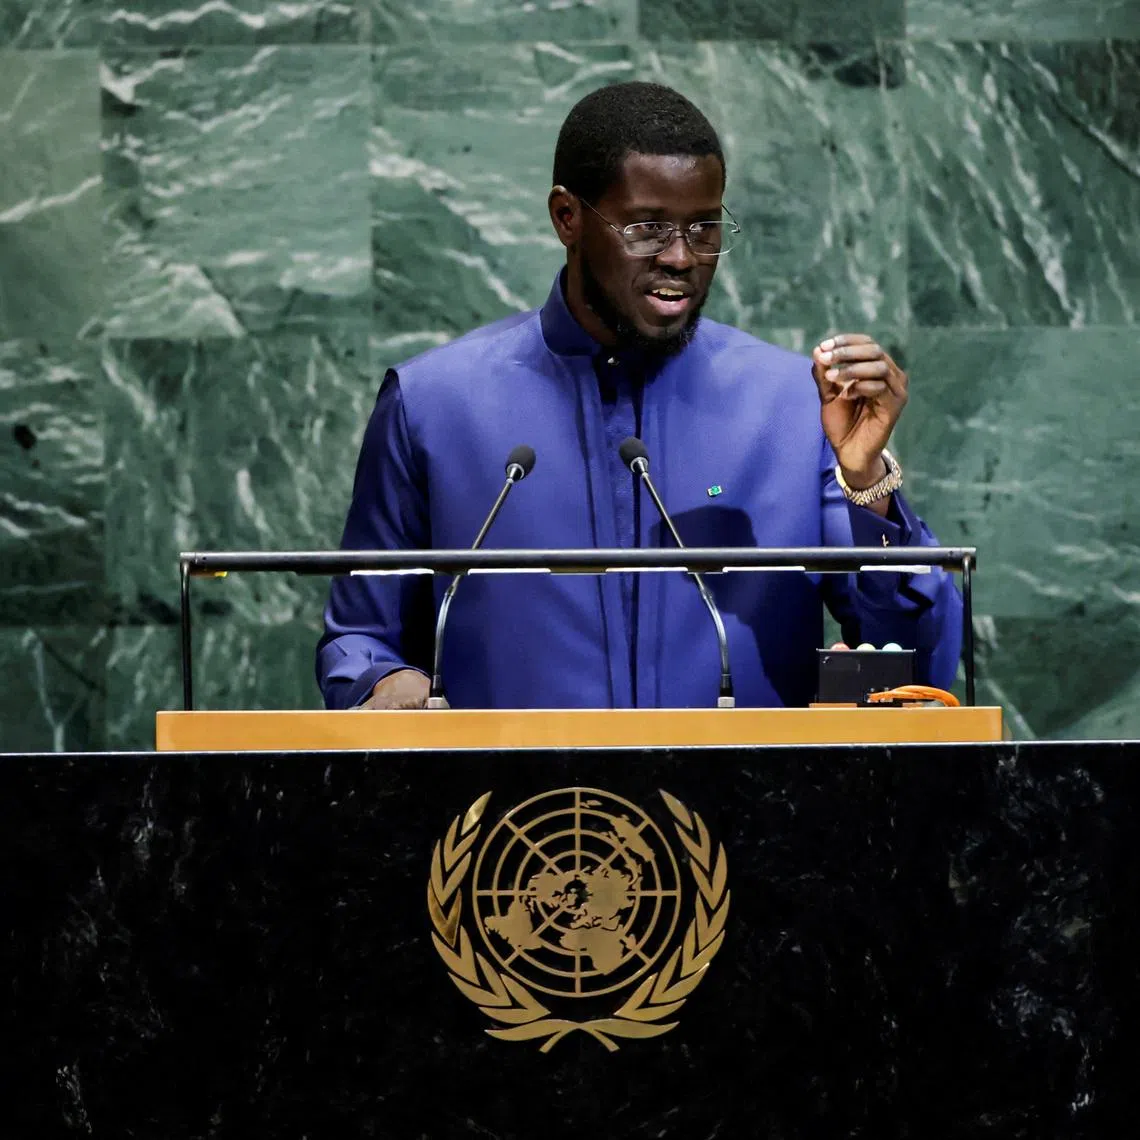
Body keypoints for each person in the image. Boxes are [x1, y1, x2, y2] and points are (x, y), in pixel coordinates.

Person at [317, 82, 961, 711]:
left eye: (704, 228)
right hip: (516, 814)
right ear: (567, 217)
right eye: (648, 228)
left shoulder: (792, 407)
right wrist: (377, 684)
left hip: (743, 812)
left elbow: (918, 666)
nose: (681, 257)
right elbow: (361, 636)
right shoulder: (433, 404)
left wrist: (866, 480)